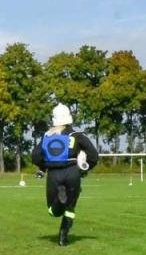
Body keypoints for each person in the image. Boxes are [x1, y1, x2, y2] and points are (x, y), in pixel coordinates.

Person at [32, 102, 99, 246]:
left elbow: (35, 157)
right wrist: (85, 169)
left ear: (54, 119)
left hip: (54, 174)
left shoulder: (48, 136)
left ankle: (59, 201)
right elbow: (93, 155)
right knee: (70, 207)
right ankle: (63, 236)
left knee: (53, 211)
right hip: (72, 172)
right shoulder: (77, 135)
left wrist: (43, 167)